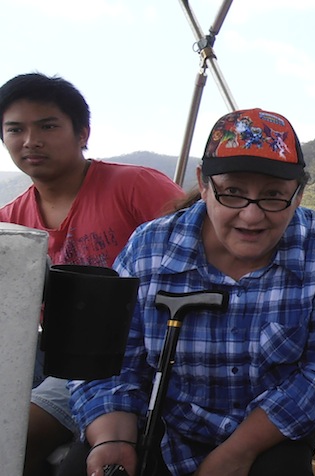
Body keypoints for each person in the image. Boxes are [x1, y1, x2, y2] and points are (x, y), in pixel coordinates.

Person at [66, 108, 315, 476]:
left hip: (270, 435)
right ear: (204, 185)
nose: (251, 216)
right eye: (232, 193)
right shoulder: (149, 246)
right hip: (164, 425)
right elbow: (112, 363)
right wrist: (113, 440)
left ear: (298, 194)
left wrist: (236, 453)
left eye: (274, 196)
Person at [0, 72, 185, 476]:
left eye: (47, 126)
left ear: (82, 133)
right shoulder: (10, 223)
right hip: (48, 351)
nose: (30, 141)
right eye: (15, 129)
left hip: (121, 357)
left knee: (15, 435)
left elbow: (202, 248)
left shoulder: (134, 187)